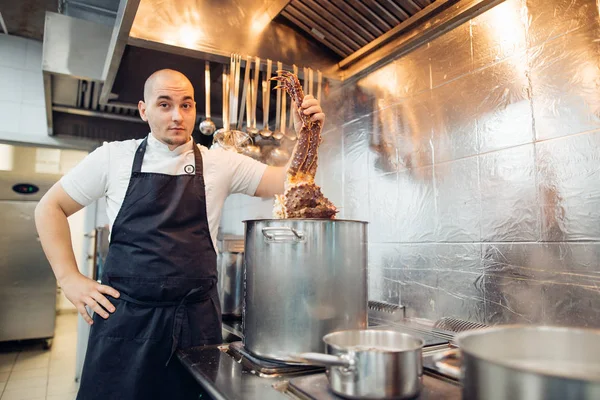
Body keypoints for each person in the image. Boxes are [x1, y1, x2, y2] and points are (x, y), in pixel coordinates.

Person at [34, 69, 325, 399]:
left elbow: (291, 181)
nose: (177, 116)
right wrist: (69, 278)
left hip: (195, 325)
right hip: (127, 323)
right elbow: (49, 207)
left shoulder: (220, 163)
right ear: (144, 110)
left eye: (186, 105)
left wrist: (307, 137)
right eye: (164, 105)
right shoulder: (113, 157)